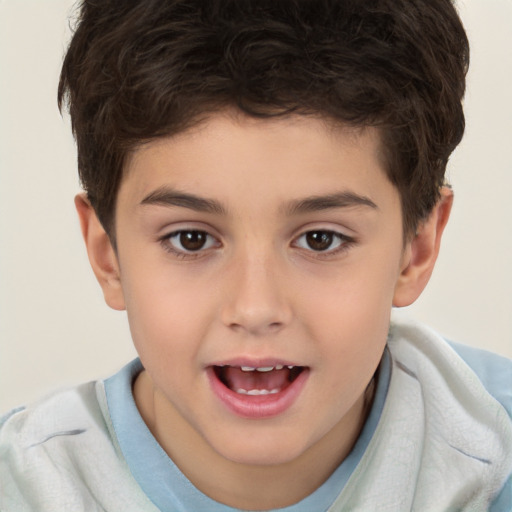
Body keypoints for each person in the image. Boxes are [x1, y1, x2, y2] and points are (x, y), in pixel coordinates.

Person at [1, 0, 511, 510]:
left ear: (415, 250)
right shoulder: (24, 486)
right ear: (107, 254)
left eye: (320, 239)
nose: (255, 308)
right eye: (191, 239)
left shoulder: (494, 451)